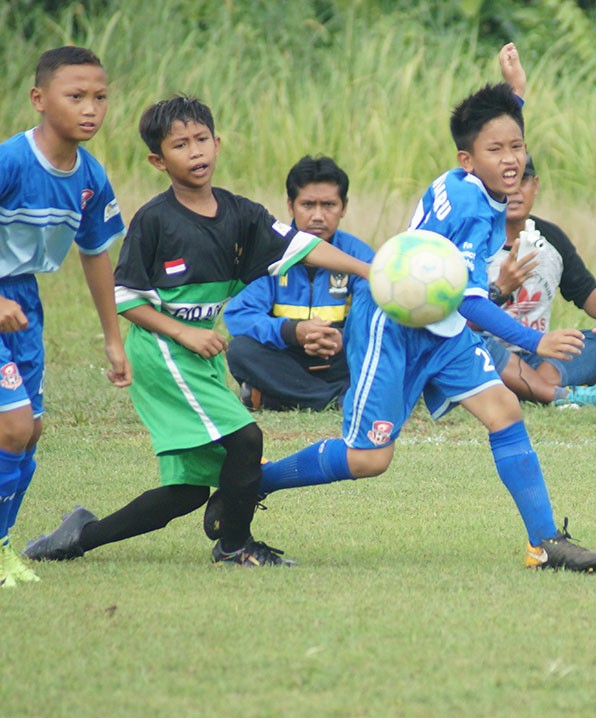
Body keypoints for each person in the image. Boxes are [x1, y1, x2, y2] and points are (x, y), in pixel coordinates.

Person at [212, 44, 596, 572]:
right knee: (370, 459)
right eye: (498, 150)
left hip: (439, 330)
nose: (512, 158)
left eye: (518, 146)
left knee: (505, 411)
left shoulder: (472, 175)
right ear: (469, 159)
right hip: (393, 327)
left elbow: (494, 138)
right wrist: (535, 342)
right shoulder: (470, 209)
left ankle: (545, 543)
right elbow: (469, 300)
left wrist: (515, 92)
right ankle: (250, 483)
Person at [23, 96, 372, 569]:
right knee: (246, 440)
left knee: (186, 492)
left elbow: (301, 247)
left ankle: (78, 537)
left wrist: (371, 270)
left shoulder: (239, 213)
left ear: (217, 143)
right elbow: (125, 297)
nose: (195, 151)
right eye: (180, 144)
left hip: (195, 355)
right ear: (158, 160)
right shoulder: (154, 220)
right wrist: (185, 334)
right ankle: (234, 545)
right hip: (162, 351)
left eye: (202, 139)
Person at [0, 47, 131, 590]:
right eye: (75, 96)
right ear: (39, 99)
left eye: (100, 97)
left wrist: (112, 337)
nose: (90, 109)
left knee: (31, 434)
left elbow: (95, 253)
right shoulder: (11, 161)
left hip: (23, 305)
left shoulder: (91, 178)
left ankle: (3, 546)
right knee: (14, 426)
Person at [223, 156, 374, 411]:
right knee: (240, 351)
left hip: (339, 356)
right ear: (290, 206)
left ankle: (276, 398)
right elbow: (238, 316)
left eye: (328, 205)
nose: (317, 216)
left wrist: (342, 338)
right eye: (307, 205)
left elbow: (373, 316)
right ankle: (336, 399)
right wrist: (294, 332)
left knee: (388, 346)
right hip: (286, 357)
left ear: (344, 207)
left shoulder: (358, 255)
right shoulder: (269, 254)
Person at [483, 153, 596, 407]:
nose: (514, 190)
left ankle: (528, 386)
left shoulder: (551, 239)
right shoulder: (474, 238)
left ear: (535, 186)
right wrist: (499, 290)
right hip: (486, 353)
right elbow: (456, 320)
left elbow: (588, 293)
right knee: (470, 343)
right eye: (504, 181)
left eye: (522, 180)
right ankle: (555, 395)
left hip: (538, 355)